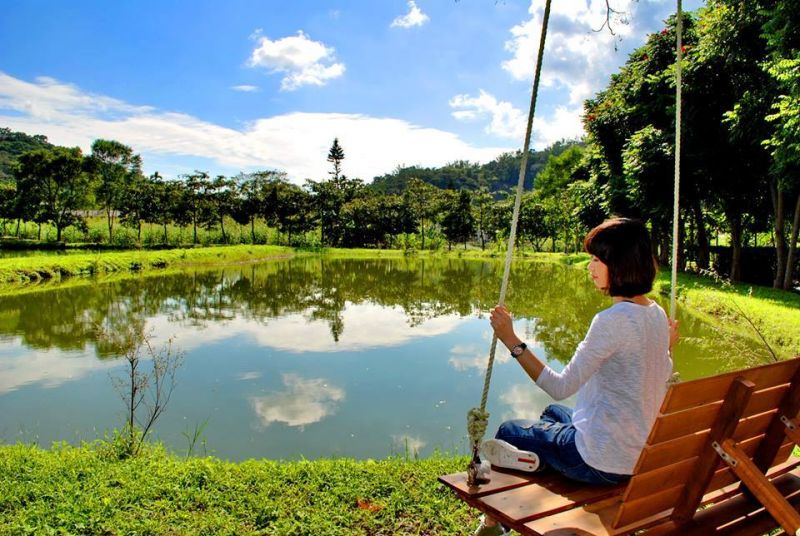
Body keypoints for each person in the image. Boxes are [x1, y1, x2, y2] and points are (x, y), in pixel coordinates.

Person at [474, 217, 679, 536]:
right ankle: (541, 460)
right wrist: (665, 348)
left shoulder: (610, 321)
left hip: (601, 461)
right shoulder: (655, 313)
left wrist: (510, 339)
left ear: (620, 264)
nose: (590, 267)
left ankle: (494, 524)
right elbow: (658, 376)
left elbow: (559, 386)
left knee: (508, 432)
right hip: (636, 453)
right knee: (552, 415)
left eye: (598, 259)